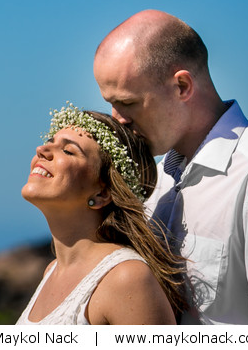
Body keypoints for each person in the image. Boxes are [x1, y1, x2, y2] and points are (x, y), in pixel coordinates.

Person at [93, 10, 248, 324]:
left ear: (182, 86)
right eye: (110, 103)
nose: (118, 119)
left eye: (128, 103)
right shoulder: (156, 186)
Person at [18, 103, 188, 325]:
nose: (41, 150)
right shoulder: (51, 271)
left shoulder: (126, 279)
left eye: (68, 150)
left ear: (102, 193)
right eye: (50, 142)